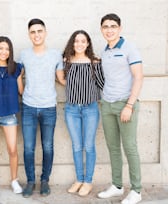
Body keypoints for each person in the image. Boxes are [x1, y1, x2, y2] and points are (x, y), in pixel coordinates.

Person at [97, 13, 144, 204]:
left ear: (120, 28)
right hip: (106, 104)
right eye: (106, 26)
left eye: (113, 26)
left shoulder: (129, 48)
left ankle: (136, 191)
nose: (109, 29)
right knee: (113, 147)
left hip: (125, 104)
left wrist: (129, 105)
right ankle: (117, 185)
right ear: (101, 30)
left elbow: (139, 77)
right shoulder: (105, 51)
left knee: (130, 148)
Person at [19, 18, 64, 198]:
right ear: (29, 35)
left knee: (47, 146)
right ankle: (30, 181)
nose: (36, 35)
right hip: (29, 107)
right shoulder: (23, 55)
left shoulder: (55, 55)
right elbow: (17, 75)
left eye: (39, 31)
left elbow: (62, 79)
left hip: (49, 108)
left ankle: (45, 180)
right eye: (33, 32)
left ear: (45, 33)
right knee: (29, 148)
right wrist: (22, 93)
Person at [60, 30, 105, 197]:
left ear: (88, 44)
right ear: (72, 43)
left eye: (82, 41)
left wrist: (100, 65)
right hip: (71, 109)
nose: (79, 44)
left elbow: (102, 83)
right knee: (77, 146)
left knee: (89, 146)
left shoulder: (94, 62)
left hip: (90, 108)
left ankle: (88, 181)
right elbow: (62, 78)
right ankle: (79, 179)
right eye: (76, 41)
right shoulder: (66, 62)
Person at [0, 36, 24, 197]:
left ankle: (14, 180)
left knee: (12, 149)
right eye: (0, 48)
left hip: (9, 115)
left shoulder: (17, 68)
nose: (3, 51)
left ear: (10, 51)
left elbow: (21, 91)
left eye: (7, 49)